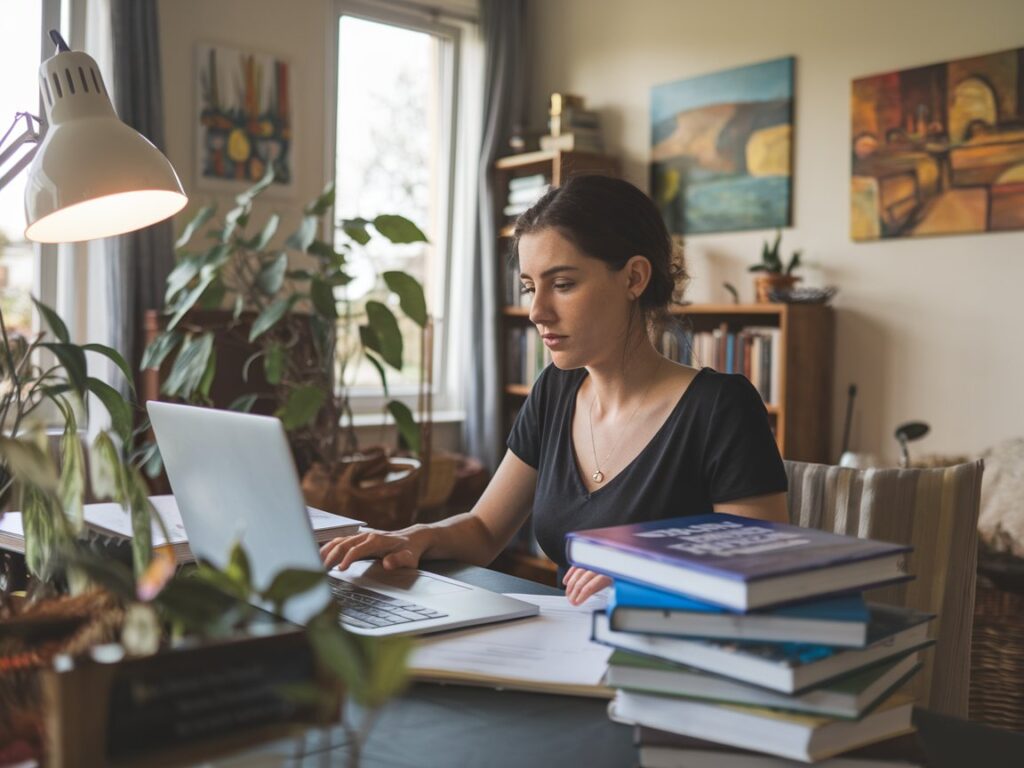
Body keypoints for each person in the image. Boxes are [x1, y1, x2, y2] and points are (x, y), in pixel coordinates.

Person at [322, 175, 788, 605]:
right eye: (530, 287)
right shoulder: (556, 391)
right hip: (565, 653)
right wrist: (417, 535)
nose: (537, 311)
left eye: (562, 284)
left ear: (634, 278)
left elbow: (759, 568)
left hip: (665, 662)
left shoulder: (720, 407)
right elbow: (485, 529)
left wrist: (649, 575)